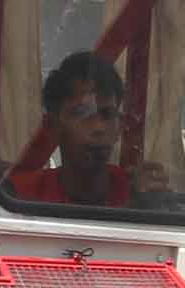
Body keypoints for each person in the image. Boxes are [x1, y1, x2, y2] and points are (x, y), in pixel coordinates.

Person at [11, 50, 170, 210]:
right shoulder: (20, 198)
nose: (98, 128)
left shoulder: (138, 191)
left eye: (108, 115)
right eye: (82, 113)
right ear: (53, 127)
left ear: (119, 127)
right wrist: (131, 210)